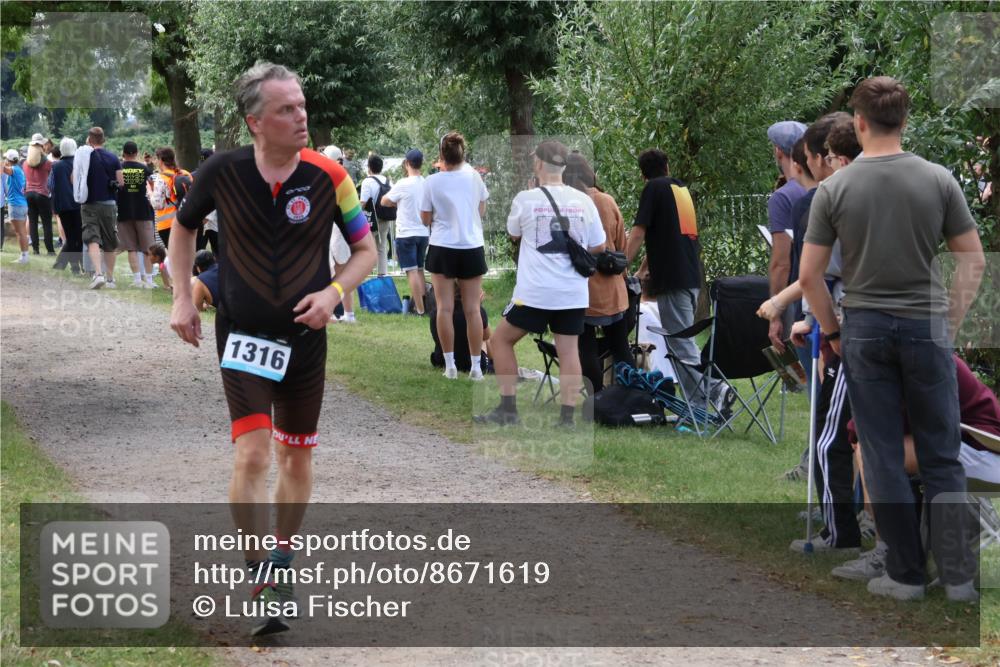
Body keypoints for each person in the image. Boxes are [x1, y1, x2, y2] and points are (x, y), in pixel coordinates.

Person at [169, 62, 376, 636]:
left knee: (297, 455)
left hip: (307, 339)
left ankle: (282, 559)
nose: (301, 116)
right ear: (254, 122)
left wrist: (336, 293)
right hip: (242, 335)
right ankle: (259, 570)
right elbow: (182, 230)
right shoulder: (220, 171)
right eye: (287, 109)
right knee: (253, 454)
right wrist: (182, 297)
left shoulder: (331, 176)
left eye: (302, 105)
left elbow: (366, 252)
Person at [800, 76, 985, 602]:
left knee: (880, 450)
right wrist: (949, 317)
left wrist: (831, 331)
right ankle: (957, 577)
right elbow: (971, 259)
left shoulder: (835, 189)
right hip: (926, 325)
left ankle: (904, 574)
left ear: (858, 124)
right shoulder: (938, 179)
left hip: (865, 327)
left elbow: (811, 277)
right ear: (904, 121)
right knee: (941, 450)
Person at [833, 355, 1000, 582]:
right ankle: (892, 544)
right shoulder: (910, 355)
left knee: (873, 452)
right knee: (871, 447)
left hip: (985, 451)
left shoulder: (921, 362)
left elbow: (883, 422)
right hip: (964, 445)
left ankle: (888, 551)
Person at [476, 140, 605, 426]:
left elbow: (513, 233)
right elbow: (598, 245)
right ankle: (567, 418)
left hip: (534, 291)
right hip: (572, 290)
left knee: (500, 341)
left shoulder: (526, 199)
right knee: (569, 350)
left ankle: (508, 410)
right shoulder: (584, 200)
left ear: (538, 164)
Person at [625, 148, 733, 415]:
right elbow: (664, 239)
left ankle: (716, 389)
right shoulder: (681, 191)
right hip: (691, 276)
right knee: (680, 340)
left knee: (680, 342)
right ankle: (696, 404)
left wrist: (622, 264)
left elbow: (639, 232)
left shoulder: (653, 189)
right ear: (668, 167)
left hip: (672, 279)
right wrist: (641, 269)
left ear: (643, 175)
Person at [420, 132, 490, 381]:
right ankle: (475, 367)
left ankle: (449, 365)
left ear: (441, 156)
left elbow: (425, 218)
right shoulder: (474, 178)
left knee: (444, 308)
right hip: (471, 245)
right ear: (462, 154)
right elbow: (481, 210)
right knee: (473, 309)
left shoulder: (432, 181)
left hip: (442, 246)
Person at [564, 152, 632, 394]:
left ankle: (597, 399)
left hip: (582, 289)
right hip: (614, 289)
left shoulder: (568, 205)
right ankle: (630, 394)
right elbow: (622, 246)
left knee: (587, 347)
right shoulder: (607, 200)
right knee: (620, 346)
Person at [382, 148, 429, 315]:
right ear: (421, 164)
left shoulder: (403, 183)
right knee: (420, 269)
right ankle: (424, 305)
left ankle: (420, 309)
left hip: (406, 233)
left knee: (412, 271)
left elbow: (384, 201)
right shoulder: (426, 183)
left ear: (407, 163)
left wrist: (397, 203)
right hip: (424, 233)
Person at [78, 127, 123, 289]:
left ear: (89, 140)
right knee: (110, 240)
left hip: (89, 202)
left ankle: (98, 274)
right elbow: (121, 182)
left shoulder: (84, 157)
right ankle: (110, 279)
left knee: (92, 237)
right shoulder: (112, 157)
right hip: (109, 203)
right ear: (103, 140)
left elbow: (74, 179)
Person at [117, 141, 156, 288]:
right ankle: (149, 281)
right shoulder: (145, 169)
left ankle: (137, 280)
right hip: (143, 212)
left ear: (124, 153)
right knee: (148, 249)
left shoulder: (119, 168)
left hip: (124, 211)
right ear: (136, 152)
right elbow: (152, 187)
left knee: (131, 247)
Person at [430, 285, 492, 373]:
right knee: (487, 341)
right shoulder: (477, 313)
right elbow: (487, 336)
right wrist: (477, 307)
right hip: (469, 363)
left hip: (441, 361)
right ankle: (493, 362)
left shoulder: (436, 313)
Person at [49, 138, 83, 274]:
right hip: (79, 204)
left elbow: (50, 185)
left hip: (62, 205)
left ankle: (64, 264)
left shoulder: (56, 166)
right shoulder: (79, 164)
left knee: (70, 237)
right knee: (78, 237)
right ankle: (77, 267)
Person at [147, 146, 192, 248]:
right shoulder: (185, 174)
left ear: (161, 160)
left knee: (176, 257)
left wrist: (150, 191)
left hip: (167, 225)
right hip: (187, 221)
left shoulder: (161, 178)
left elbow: (157, 204)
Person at [359, 154, 395, 276]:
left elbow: (363, 202)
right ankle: (382, 275)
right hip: (385, 217)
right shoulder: (388, 181)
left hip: (370, 219)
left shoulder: (367, 181)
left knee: (367, 247)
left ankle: (366, 273)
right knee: (382, 246)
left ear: (369, 167)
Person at [24, 133, 55, 256]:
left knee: (32, 222)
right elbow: (51, 179)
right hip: (42, 194)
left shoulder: (25, 164)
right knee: (47, 223)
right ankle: (50, 250)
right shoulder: (47, 163)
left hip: (29, 193)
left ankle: (35, 249)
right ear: (42, 146)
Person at [3, 149, 30, 263]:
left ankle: (24, 257)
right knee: (22, 231)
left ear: (9, 160)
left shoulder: (14, 169)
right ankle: (24, 256)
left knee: (20, 232)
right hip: (22, 204)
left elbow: (4, 169)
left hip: (16, 205)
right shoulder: (19, 169)